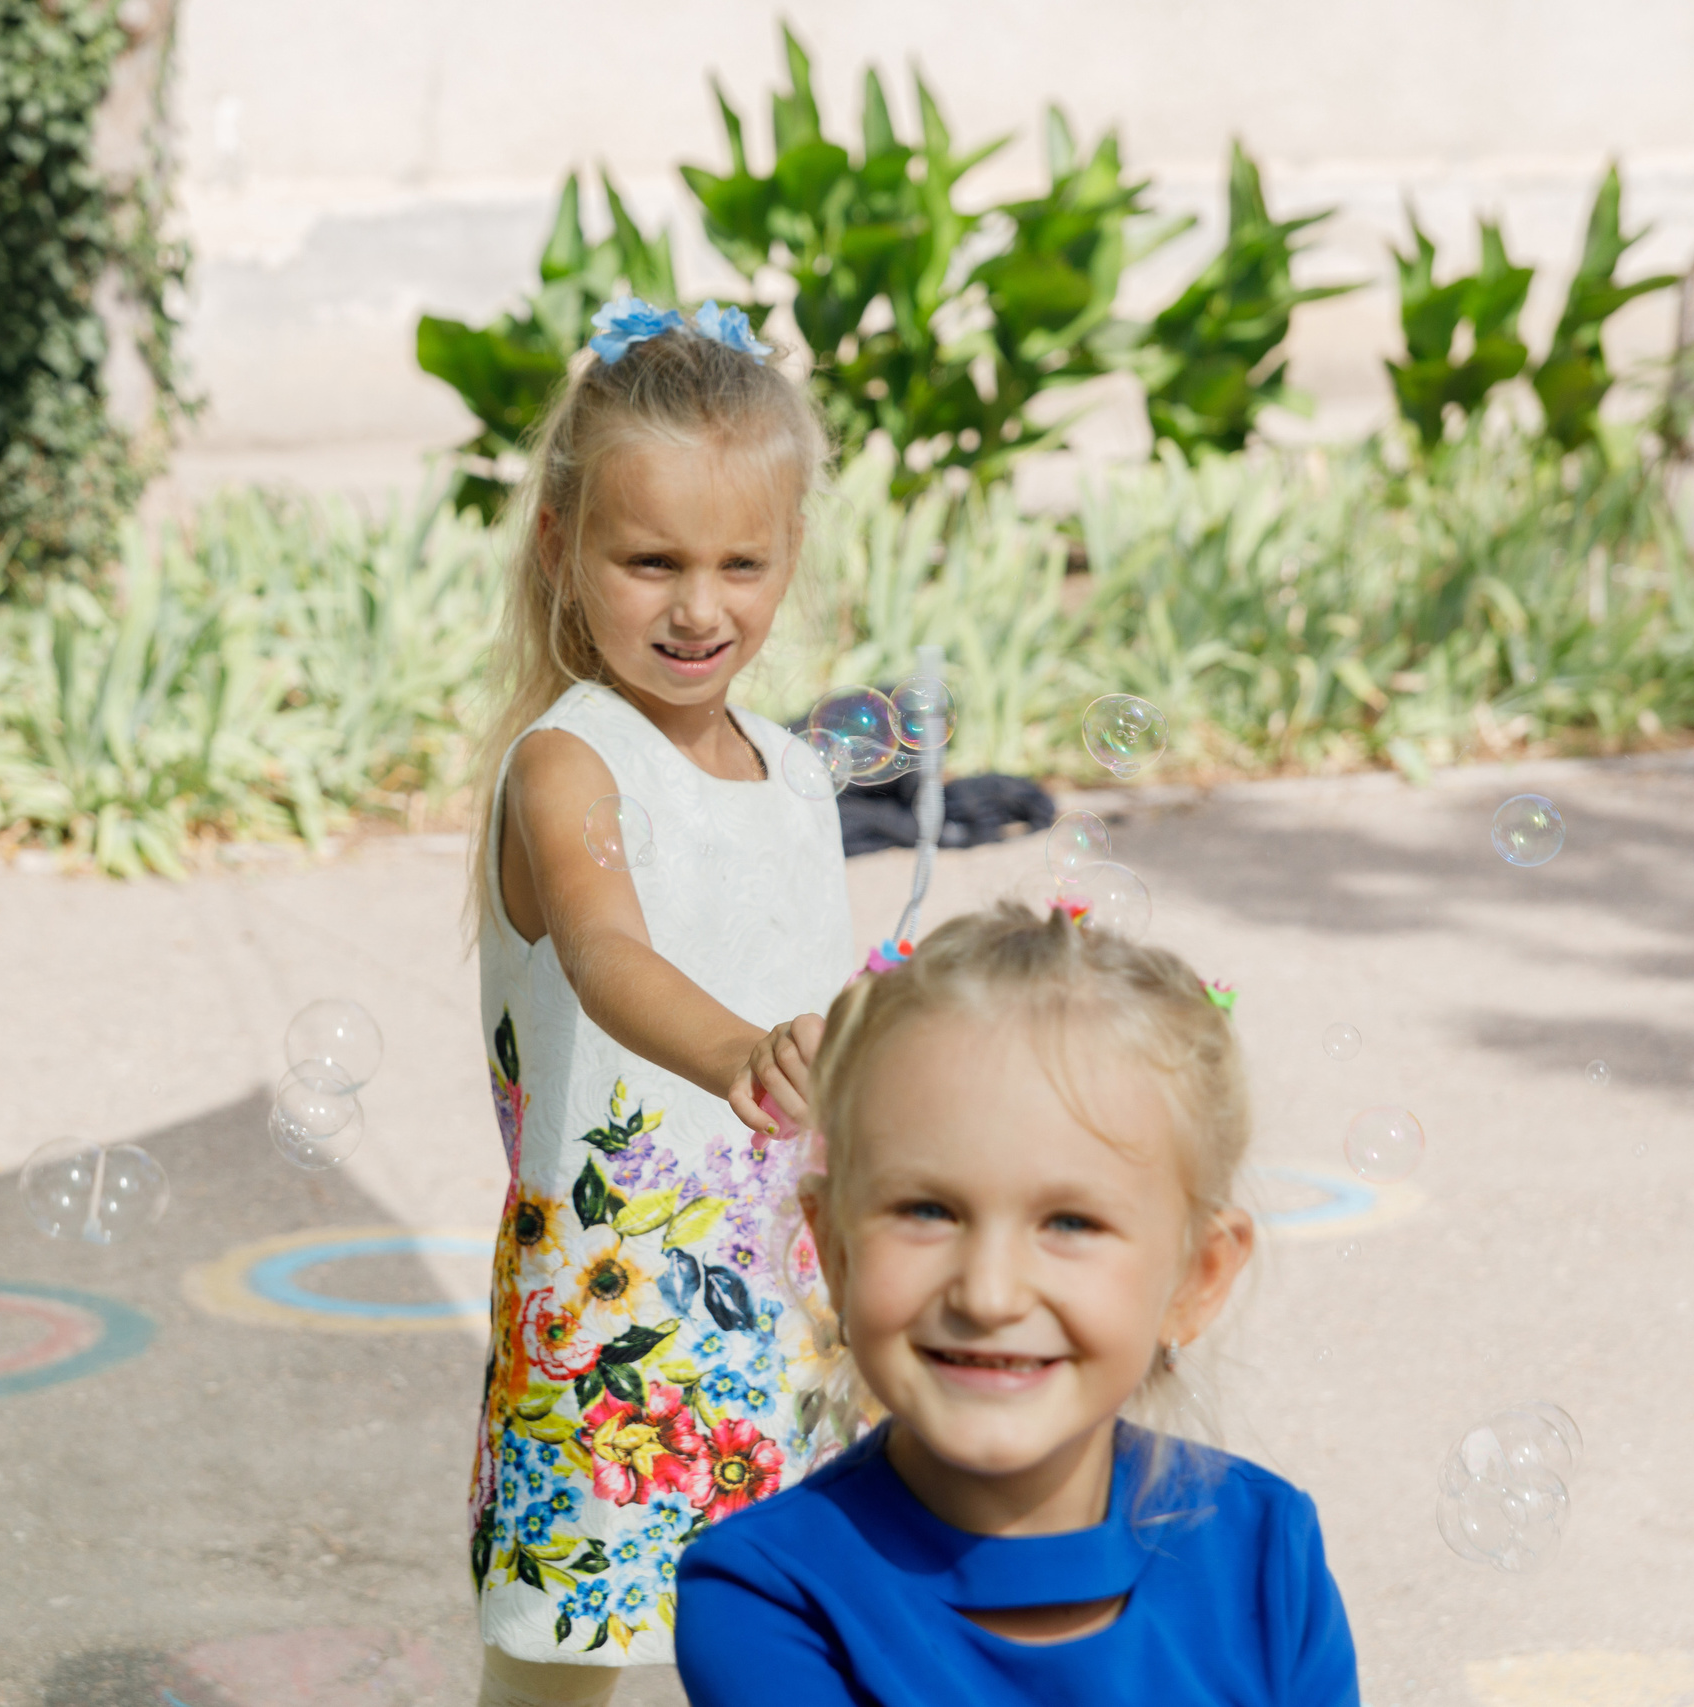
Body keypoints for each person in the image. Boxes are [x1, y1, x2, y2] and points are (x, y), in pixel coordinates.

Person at [465, 297, 857, 1707]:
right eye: (651, 561)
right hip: (614, 1299)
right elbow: (610, 953)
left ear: (787, 556)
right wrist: (742, 1049)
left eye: (741, 561)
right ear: (566, 545)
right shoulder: (570, 763)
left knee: (785, 1632)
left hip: (784, 1284)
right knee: (567, 1655)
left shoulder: (798, 774)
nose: (701, 606)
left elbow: (822, 1000)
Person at [675, 902, 1360, 1704]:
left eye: (1070, 1221)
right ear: (834, 1249)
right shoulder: (767, 1595)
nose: (989, 1292)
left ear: (1196, 1277)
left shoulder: (1266, 1552)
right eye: (928, 1209)